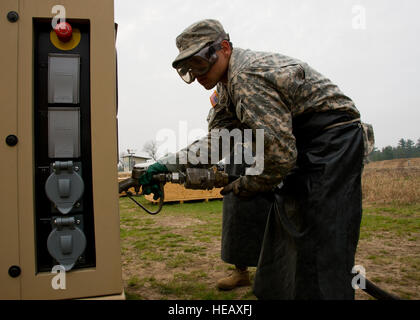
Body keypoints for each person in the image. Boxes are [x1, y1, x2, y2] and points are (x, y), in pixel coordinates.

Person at [139, 19, 374, 299]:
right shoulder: (227, 89)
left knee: (320, 240)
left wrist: (246, 185)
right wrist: (167, 165)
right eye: (189, 68)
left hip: (333, 142)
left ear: (224, 48)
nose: (197, 74)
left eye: (201, 62)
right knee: (289, 232)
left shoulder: (247, 76)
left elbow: (280, 156)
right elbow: (217, 143)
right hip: (307, 144)